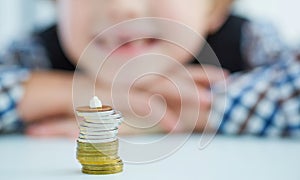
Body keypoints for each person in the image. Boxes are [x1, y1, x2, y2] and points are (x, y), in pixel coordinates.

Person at [0, 0, 298, 137]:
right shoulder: (38, 49)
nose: (123, 7)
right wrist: (89, 94)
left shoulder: (247, 39)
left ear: (215, 9)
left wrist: (171, 112)